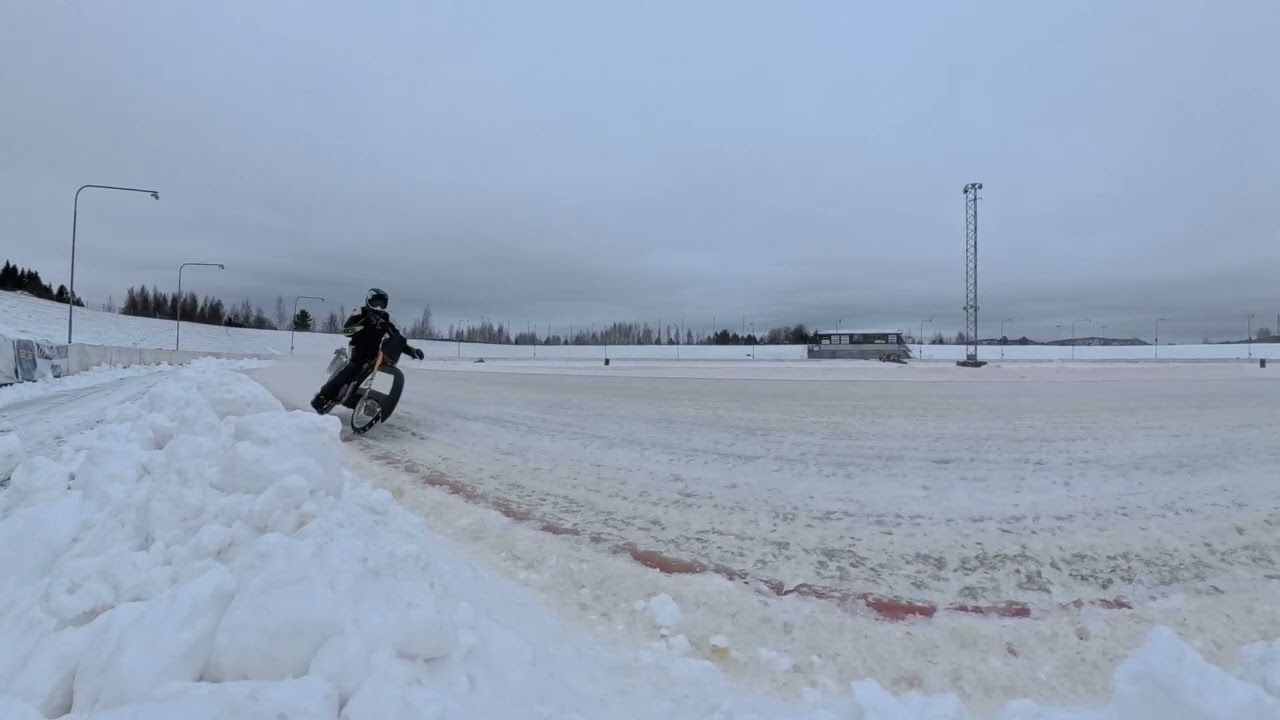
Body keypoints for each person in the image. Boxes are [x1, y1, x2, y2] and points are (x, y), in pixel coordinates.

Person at [311, 288, 424, 413]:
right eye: (376, 303)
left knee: (369, 375)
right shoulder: (360, 312)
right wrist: (365, 322)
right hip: (358, 348)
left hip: (375, 352)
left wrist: (413, 351)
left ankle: (360, 401)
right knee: (352, 369)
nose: (379, 307)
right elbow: (346, 331)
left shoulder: (386, 318)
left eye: (382, 304)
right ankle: (321, 397)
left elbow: (397, 339)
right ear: (369, 301)